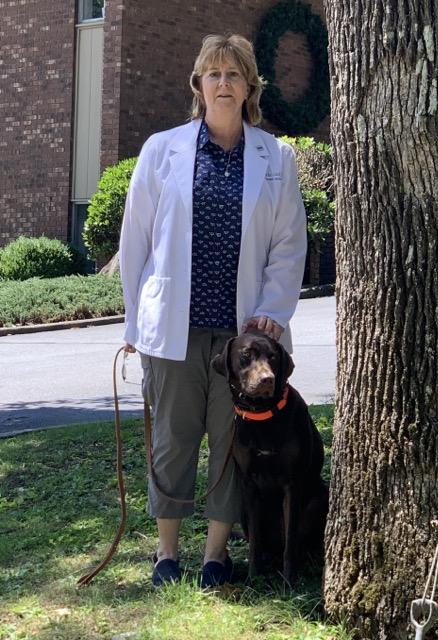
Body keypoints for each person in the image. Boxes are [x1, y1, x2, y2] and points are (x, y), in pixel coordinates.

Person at [119, 33, 307, 587]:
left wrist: (272, 309)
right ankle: (167, 553)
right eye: (213, 74)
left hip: (241, 338)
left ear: (250, 86)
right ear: (198, 84)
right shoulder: (162, 149)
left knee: (230, 446)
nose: (223, 83)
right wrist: (135, 322)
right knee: (172, 439)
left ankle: (215, 557)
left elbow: (289, 244)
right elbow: (137, 243)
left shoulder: (276, 157)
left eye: (234, 74)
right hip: (173, 331)